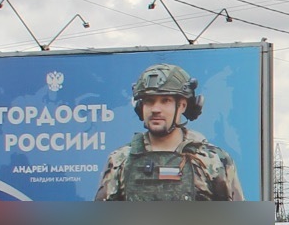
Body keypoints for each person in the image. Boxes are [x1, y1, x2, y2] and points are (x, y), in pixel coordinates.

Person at [95, 63, 243, 201]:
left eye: (165, 101)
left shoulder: (213, 160)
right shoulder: (121, 159)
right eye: (149, 101)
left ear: (183, 106)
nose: (155, 109)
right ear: (140, 107)